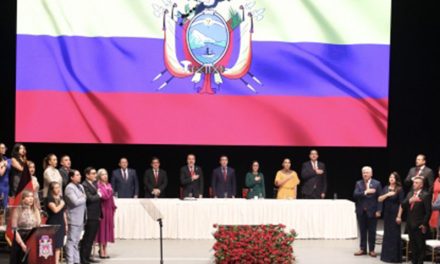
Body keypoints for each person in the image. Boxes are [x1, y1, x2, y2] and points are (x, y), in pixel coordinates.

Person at [399, 176, 431, 264]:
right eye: (414, 182)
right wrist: (410, 200)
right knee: (413, 247)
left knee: (420, 247)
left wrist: (424, 224)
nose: (414, 184)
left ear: (421, 185)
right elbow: (402, 205)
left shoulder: (425, 195)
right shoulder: (410, 194)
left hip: (419, 225)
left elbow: (428, 211)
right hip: (410, 224)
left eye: (416, 183)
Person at [353, 166, 382, 257]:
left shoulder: (377, 183)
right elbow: (355, 195)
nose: (365, 174)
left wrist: (379, 210)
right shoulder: (358, 183)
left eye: (367, 172)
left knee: (372, 232)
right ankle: (362, 249)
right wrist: (366, 192)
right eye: (363, 173)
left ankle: (372, 250)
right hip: (361, 211)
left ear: (371, 174)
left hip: (372, 212)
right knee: (362, 231)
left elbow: (379, 198)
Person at [378, 172, 404, 263]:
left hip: (395, 213)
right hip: (387, 214)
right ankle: (386, 256)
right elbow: (379, 199)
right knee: (387, 234)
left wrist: (399, 216)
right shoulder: (385, 188)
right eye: (390, 177)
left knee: (394, 235)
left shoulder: (399, 189)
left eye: (393, 177)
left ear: (396, 179)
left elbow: (402, 204)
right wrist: (387, 195)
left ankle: (394, 257)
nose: (391, 178)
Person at [9, 190, 42, 264]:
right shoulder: (17, 210)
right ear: (23, 199)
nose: (31, 199)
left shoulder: (36, 210)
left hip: (32, 238)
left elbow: (38, 226)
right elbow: (14, 229)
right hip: (21, 239)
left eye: (32, 196)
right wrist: (22, 244)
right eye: (28, 196)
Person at [64, 170, 87, 264]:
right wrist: (84, 197)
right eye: (77, 175)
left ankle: (77, 261)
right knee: (71, 241)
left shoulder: (80, 186)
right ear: (71, 177)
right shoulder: (69, 188)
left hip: (81, 217)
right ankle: (70, 261)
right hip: (73, 218)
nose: (80, 176)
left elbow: (81, 200)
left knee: (77, 242)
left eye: (79, 174)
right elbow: (75, 202)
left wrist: (82, 196)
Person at [81, 167, 102, 264]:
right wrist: (98, 195)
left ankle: (87, 257)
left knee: (91, 238)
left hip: (95, 214)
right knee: (87, 238)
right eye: (93, 173)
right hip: (90, 215)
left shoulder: (93, 184)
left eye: (95, 173)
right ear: (87, 175)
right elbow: (89, 198)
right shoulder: (84, 185)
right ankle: (83, 259)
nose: (95, 175)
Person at [96, 169, 116, 259]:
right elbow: (104, 196)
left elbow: (110, 198)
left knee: (107, 230)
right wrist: (109, 190)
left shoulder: (109, 185)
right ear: (99, 176)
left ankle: (105, 249)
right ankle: (101, 249)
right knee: (102, 230)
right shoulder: (98, 186)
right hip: (102, 210)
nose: (105, 176)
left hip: (109, 210)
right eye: (103, 174)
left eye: (106, 174)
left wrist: (113, 207)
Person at [46, 181, 67, 264]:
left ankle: (56, 261)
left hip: (61, 222)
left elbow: (63, 212)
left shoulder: (61, 198)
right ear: (51, 189)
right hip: (53, 223)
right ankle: (50, 261)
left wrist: (66, 224)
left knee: (58, 244)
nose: (58, 189)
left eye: (59, 187)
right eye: (56, 188)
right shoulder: (49, 198)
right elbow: (55, 210)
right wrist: (62, 203)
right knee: (52, 244)